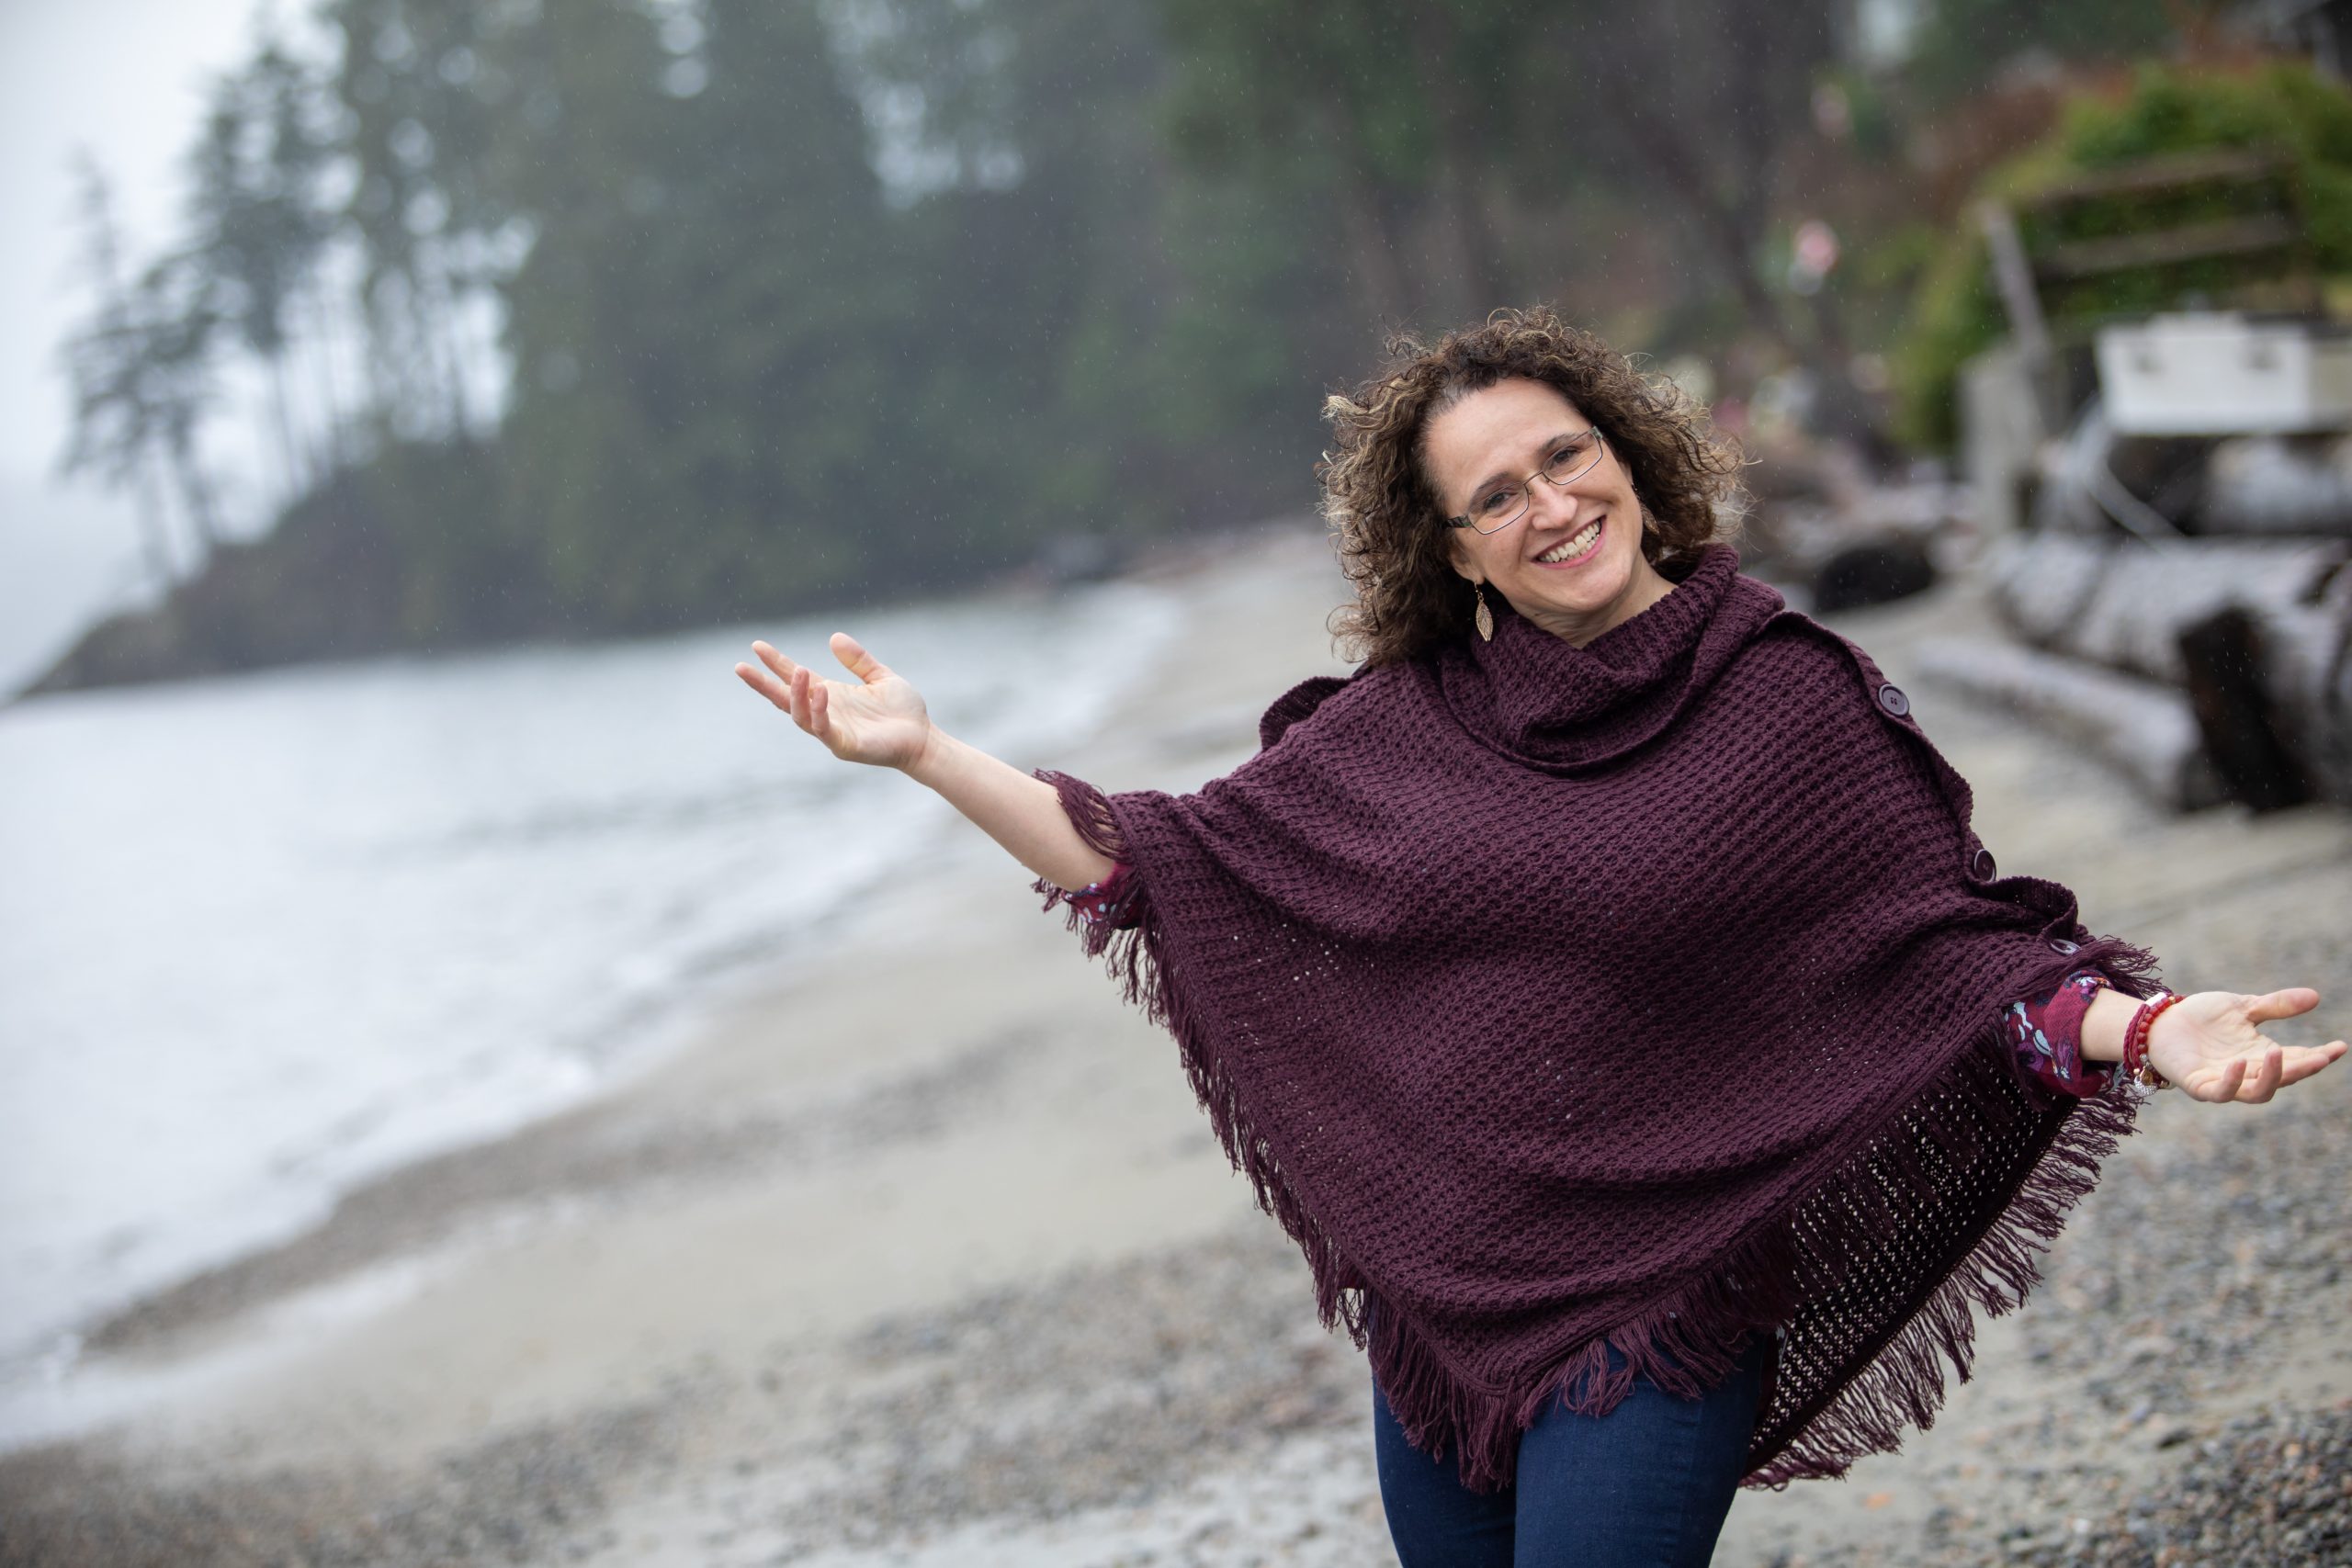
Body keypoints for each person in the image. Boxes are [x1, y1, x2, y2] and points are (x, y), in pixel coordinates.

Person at [733, 308, 2345, 1567]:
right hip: (1445, 1319)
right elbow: (1150, 859)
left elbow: (1950, 962)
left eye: (1567, 457)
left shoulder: (1785, 694)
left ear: (1630, 455)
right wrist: (931, 756)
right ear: (1451, 548)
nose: (1550, 505)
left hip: (1664, 1314)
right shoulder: (1403, 731)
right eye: (1494, 495)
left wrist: (2151, 1030)